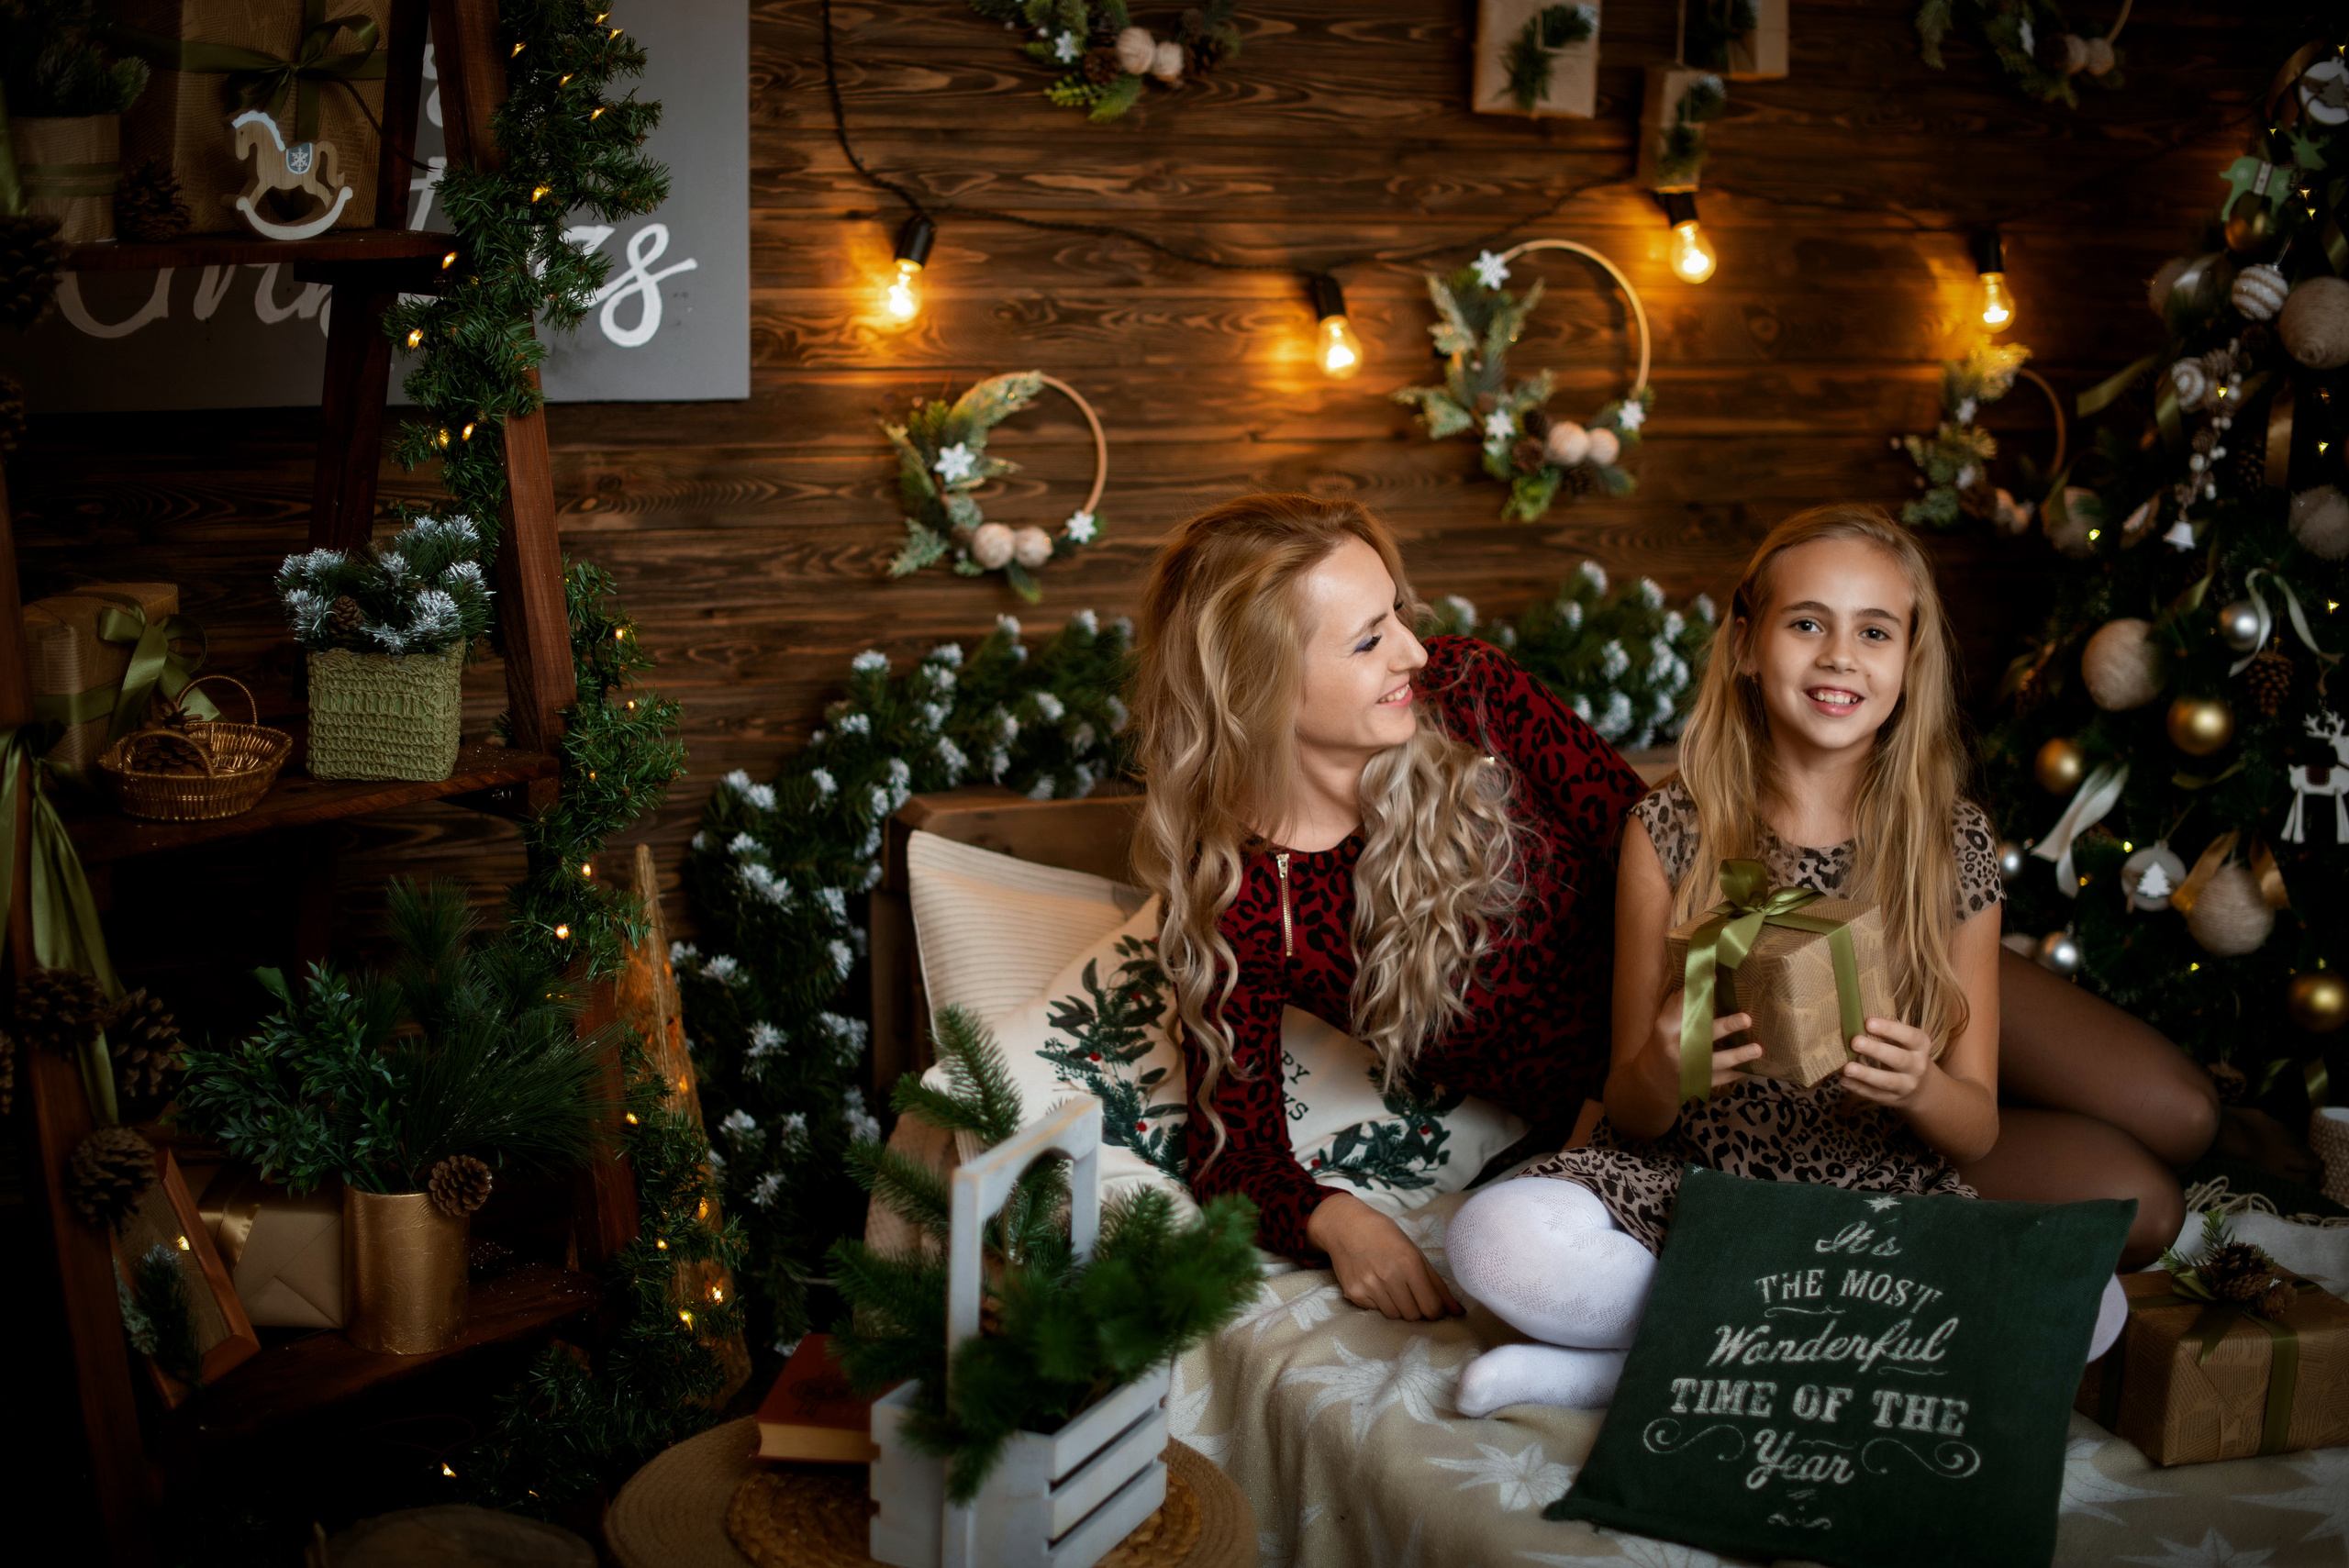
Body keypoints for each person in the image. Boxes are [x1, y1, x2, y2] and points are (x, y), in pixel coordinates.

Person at [1445, 504, 2190, 1416]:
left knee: (2092, 1306)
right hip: (1693, 1187)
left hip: (1875, 1198)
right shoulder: (1670, 828)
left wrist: (1921, 1086)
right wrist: (1667, 1064)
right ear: (1748, 645)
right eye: (1807, 624)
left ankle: (1621, 1368)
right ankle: (1810, 1346)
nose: (1841, 656)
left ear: (1909, 663)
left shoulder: (1951, 844)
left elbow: (1976, 1128)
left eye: (1874, 632)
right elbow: (1632, 1105)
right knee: (1491, 1241)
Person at [1129, 494, 1650, 1321]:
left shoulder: (1476, 693)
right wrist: (1337, 1220)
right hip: (1600, 1146)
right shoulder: (1249, 899)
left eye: (1397, 613)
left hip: (1693, 1042)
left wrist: (1624, 1089)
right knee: (1496, 1258)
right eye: (1369, 639)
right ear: (1259, 684)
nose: (1414, 650)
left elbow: (1662, 856)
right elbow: (1235, 1152)